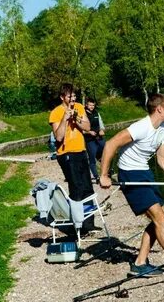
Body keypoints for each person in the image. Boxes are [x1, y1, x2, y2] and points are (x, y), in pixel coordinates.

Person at [99, 93, 164, 278]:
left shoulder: (163, 129)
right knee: (159, 219)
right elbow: (110, 144)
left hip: (144, 172)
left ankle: (139, 262)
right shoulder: (141, 127)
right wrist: (104, 175)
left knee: (162, 217)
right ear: (159, 109)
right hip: (130, 173)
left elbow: (162, 159)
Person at [49, 83, 100, 234]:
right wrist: (65, 119)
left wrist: (76, 118)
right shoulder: (55, 112)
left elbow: (87, 127)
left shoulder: (79, 107)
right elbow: (58, 137)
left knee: (87, 187)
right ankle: (77, 225)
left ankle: (89, 224)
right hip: (66, 154)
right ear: (62, 97)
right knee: (76, 187)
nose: (73, 98)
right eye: (70, 96)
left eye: (74, 96)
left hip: (81, 151)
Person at [84, 98, 106, 181]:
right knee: (92, 159)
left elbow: (102, 125)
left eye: (93, 105)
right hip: (90, 140)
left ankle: (107, 172)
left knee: (106, 153)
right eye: (90, 105)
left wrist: (102, 130)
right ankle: (96, 176)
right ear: (86, 105)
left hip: (99, 138)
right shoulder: (83, 114)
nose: (92, 107)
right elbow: (81, 130)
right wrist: (89, 132)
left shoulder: (97, 113)